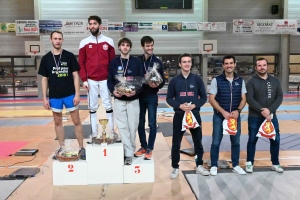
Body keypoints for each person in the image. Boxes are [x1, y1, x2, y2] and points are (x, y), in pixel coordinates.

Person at [38, 31, 85, 160]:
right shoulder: (46, 58)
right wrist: (44, 97)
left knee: (76, 121)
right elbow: (44, 79)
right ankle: (62, 148)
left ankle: (82, 148)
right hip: (54, 96)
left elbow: (76, 75)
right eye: (55, 38)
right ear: (51, 40)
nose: (57, 41)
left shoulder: (69, 56)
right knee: (58, 122)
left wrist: (77, 94)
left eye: (59, 39)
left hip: (70, 94)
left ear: (62, 40)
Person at [166, 53, 209, 179]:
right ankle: (175, 167)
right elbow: (169, 98)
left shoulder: (197, 80)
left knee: (198, 142)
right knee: (176, 143)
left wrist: (194, 105)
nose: (187, 64)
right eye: (184, 62)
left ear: (191, 63)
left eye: (189, 61)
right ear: (180, 64)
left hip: (194, 115)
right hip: (179, 116)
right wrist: (179, 106)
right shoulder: (174, 81)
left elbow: (204, 97)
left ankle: (199, 165)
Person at [78, 15, 118, 142]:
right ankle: (94, 133)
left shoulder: (109, 41)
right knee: (92, 106)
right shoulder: (84, 42)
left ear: (100, 25)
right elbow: (82, 63)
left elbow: (113, 63)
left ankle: (111, 132)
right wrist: (84, 79)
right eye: (90, 24)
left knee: (108, 104)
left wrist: (112, 80)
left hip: (106, 79)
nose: (92, 26)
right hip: (91, 80)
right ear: (88, 26)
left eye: (95, 23)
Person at [107, 37, 144, 165]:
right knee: (122, 127)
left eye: (127, 45)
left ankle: (129, 148)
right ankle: (128, 153)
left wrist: (136, 91)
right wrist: (113, 91)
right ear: (119, 47)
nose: (125, 47)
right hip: (118, 99)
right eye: (122, 45)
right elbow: (110, 80)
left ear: (130, 47)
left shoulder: (136, 62)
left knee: (132, 126)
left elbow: (141, 81)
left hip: (133, 99)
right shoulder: (114, 62)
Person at [209, 55, 246, 176]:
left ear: (235, 64)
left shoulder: (240, 81)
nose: (229, 65)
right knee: (215, 142)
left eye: (231, 63)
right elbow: (211, 99)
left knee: (236, 142)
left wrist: (238, 111)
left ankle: (235, 165)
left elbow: (243, 98)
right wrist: (222, 111)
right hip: (219, 116)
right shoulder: (216, 80)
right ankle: (214, 165)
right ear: (223, 65)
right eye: (226, 63)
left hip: (235, 117)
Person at [245, 58, 283, 173]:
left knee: (275, 140)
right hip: (255, 117)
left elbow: (279, 96)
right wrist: (262, 110)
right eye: (259, 66)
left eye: (264, 65)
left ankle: (275, 163)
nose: (262, 67)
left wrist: (270, 110)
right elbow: (249, 99)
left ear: (267, 66)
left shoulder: (275, 81)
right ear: (256, 68)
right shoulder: (251, 82)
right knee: (252, 140)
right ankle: (249, 163)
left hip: (271, 117)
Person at [134, 36, 165, 160]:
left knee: (152, 124)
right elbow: (135, 78)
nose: (150, 47)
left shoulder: (157, 62)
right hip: (140, 96)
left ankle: (150, 148)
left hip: (152, 96)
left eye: (151, 45)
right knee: (140, 124)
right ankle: (143, 146)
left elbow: (162, 81)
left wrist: (157, 85)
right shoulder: (137, 61)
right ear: (143, 46)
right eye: (147, 46)